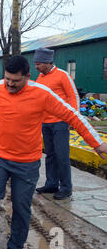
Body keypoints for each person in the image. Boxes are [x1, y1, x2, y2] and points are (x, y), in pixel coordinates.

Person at [0, 55, 107, 249]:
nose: (10, 84)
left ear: (28, 77)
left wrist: (96, 142)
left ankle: (14, 248)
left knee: (21, 206)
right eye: (7, 79)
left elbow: (72, 115)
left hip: (27, 163)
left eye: (16, 81)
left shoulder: (42, 93)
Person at [34, 48, 80, 200]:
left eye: (39, 63)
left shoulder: (63, 76)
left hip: (60, 122)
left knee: (62, 156)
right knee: (50, 155)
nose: (36, 67)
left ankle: (66, 187)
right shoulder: (40, 78)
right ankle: (51, 183)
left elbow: (73, 96)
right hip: (45, 123)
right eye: (35, 63)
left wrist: (74, 118)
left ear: (47, 62)